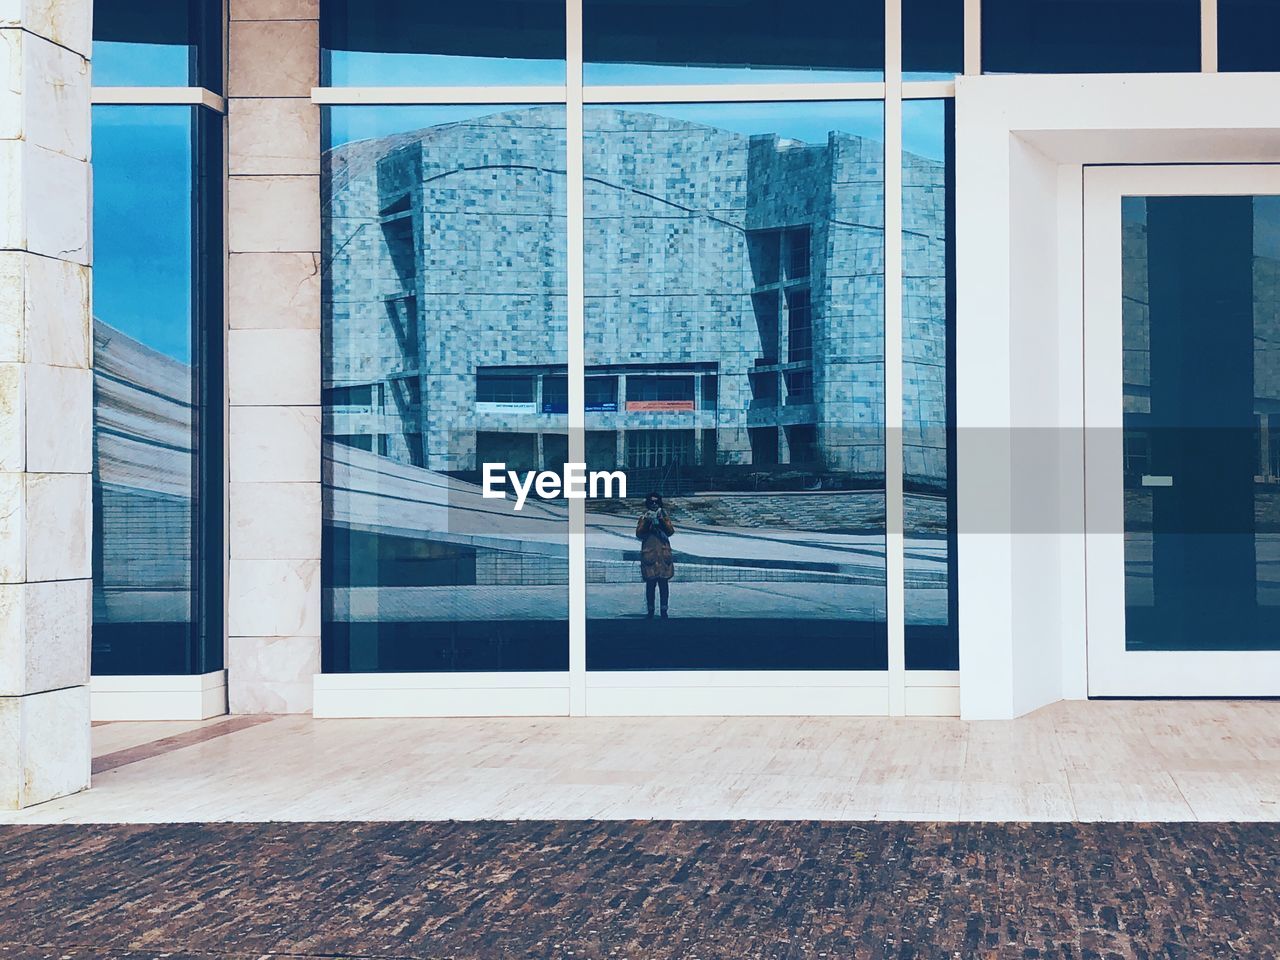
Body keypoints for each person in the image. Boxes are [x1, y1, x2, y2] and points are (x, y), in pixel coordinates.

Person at [636, 492, 675, 618]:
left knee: (664, 583)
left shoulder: (664, 515)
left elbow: (670, 531)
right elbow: (639, 533)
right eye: (651, 502)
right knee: (650, 584)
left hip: (663, 554)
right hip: (650, 554)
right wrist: (648, 521)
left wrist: (660, 520)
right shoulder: (644, 516)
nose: (654, 504)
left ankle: (664, 609)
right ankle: (650, 609)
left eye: (656, 502)